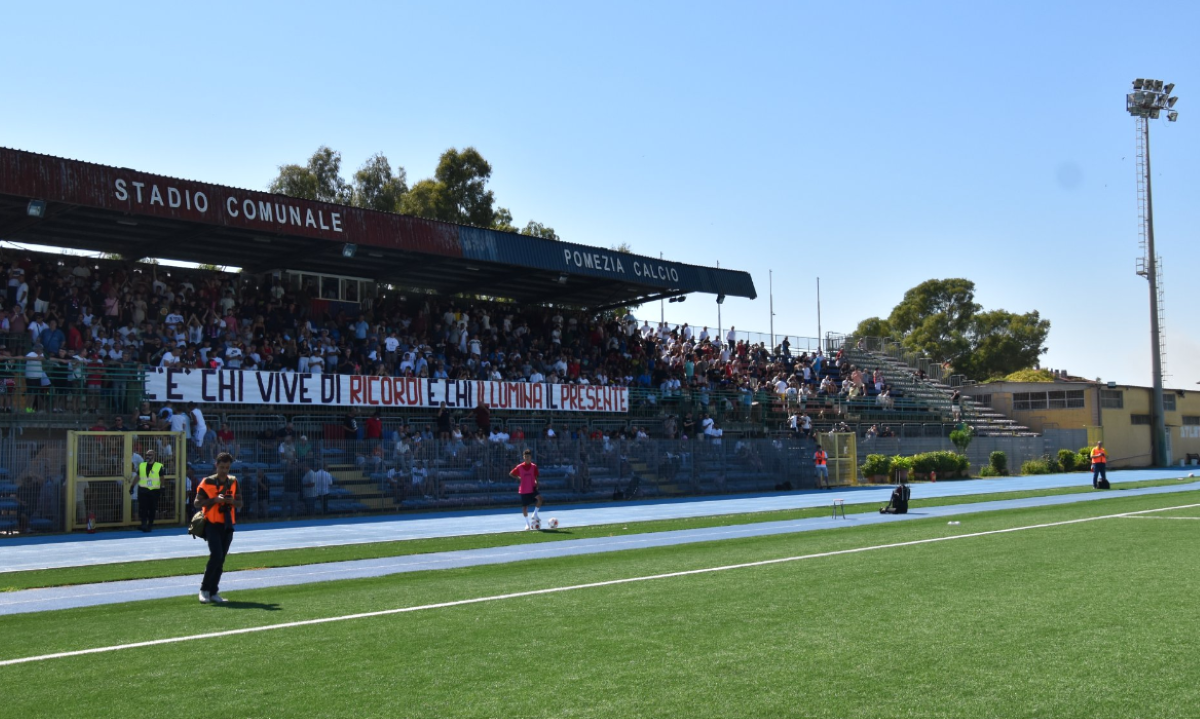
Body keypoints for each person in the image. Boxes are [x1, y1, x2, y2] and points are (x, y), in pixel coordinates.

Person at [195, 452, 241, 604]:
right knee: (216, 555)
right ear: (216, 465)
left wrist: (232, 501)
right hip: (212, 524)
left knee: (221, 559)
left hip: (227, 525)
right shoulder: (207, 482)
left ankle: (214, 592)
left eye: (227, 468)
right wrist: (214, 500)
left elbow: (240, 503)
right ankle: (204, 590)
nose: (224, 470)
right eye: (222, 467)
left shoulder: (233, 482)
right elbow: (197, 503)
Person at [132, 449, 165, 532]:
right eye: (147, 455)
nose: (148, 456)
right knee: (143, 508)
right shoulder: (142, 465)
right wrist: (132, 486)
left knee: (152, 508)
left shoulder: (159, 466)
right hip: (143, 489)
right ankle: (143, 524)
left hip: (154, 490)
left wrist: (162, 487)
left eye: (150, 455)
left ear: (154, 456)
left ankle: (150, 524)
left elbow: (162, 478)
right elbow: (138, 476)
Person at [509, 448, 542, 530]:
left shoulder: (534, 466)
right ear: (523, 457)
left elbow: (536, 475)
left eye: (528, 456)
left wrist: (537, 483)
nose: (527, 458)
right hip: (524, 489)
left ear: (531, 457)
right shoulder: (519, 467)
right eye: (525, 456)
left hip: (532, 488)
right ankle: (527, 524)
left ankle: (535, 514)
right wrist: (518, 477)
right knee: (525, 508)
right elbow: (511, 473)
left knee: (540, 499)